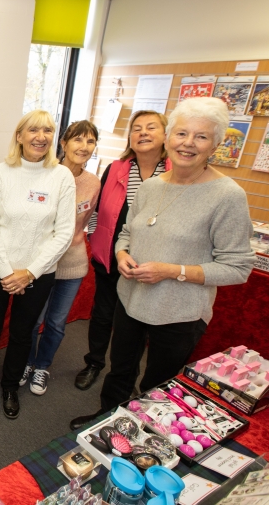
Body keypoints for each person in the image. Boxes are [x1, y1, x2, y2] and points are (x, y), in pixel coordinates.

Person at [70, 97, 255, 430]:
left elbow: (238, 267)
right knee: (120, 369)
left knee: (158, 381)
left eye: (200, 137)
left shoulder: (228, 195)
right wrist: (122, 254)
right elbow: (127, 232)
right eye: (181, 133)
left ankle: (143, 436)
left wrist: (173, 271)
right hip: (131, 299)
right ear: (169, 138)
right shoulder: (152, 186)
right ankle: (107, 423)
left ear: (215, 144)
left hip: (180, 311)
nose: (188, 143)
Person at [0, 110, 75, 420]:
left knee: (22, 332)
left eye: (47, 130)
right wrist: (8, 273)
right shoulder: (1, 172)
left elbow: (64, 232)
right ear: (20, 136)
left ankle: (9, 387)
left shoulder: (62, 176)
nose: (40, 136)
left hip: (38, 272)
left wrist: (29, 273)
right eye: (33, 130)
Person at [74, 110, 172, 391]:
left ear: (165, 134)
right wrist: (94, 236)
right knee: (103, 314)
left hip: (150, 262)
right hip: (110, 255)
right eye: (137, 128)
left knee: (134, 320)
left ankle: (128, 376)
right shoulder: (117, 167)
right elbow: (99, 205)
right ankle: (94, 362)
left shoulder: (174, 172)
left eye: (151, 127)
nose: (143, 132)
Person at [20, 121, 101, 396]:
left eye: (90, 142)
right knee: (33, 319)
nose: (84, 147)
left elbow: (84, 223)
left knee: (56, 322)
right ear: (63, 143)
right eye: (77, 140)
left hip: (73, 262)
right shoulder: (45, 174)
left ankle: (42, 365)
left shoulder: (93, 183)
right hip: (41, 264)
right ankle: (26, 362)